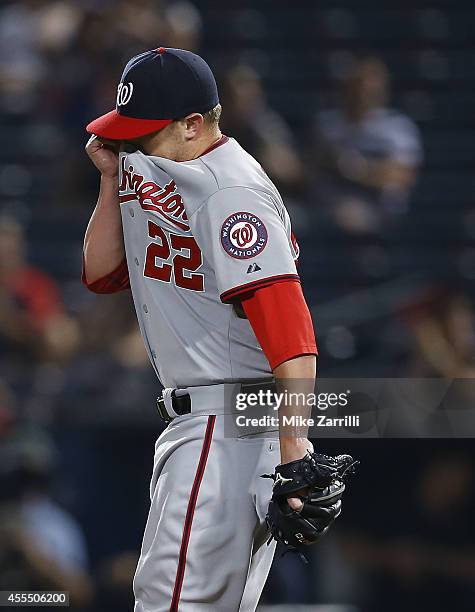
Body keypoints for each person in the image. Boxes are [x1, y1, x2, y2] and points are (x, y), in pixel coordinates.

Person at [82, 47, 340, 611]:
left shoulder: (233, 193)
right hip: (204, 423)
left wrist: (296, 449)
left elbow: (290, 327)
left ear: (193, 124)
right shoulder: (154, 160)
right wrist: (109, 183)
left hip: (227, 424)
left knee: (171, 601)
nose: (132, 141)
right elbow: (100, 275)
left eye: (145, 129)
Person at [313, 56, 423, 234]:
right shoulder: (328, 125)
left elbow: (400, 176)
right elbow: (313, 169)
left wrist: (353, 168)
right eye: (358, 86)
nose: (364, 93)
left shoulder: (398, 127)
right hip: (332, 207)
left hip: (381, 213)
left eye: (372, 87)